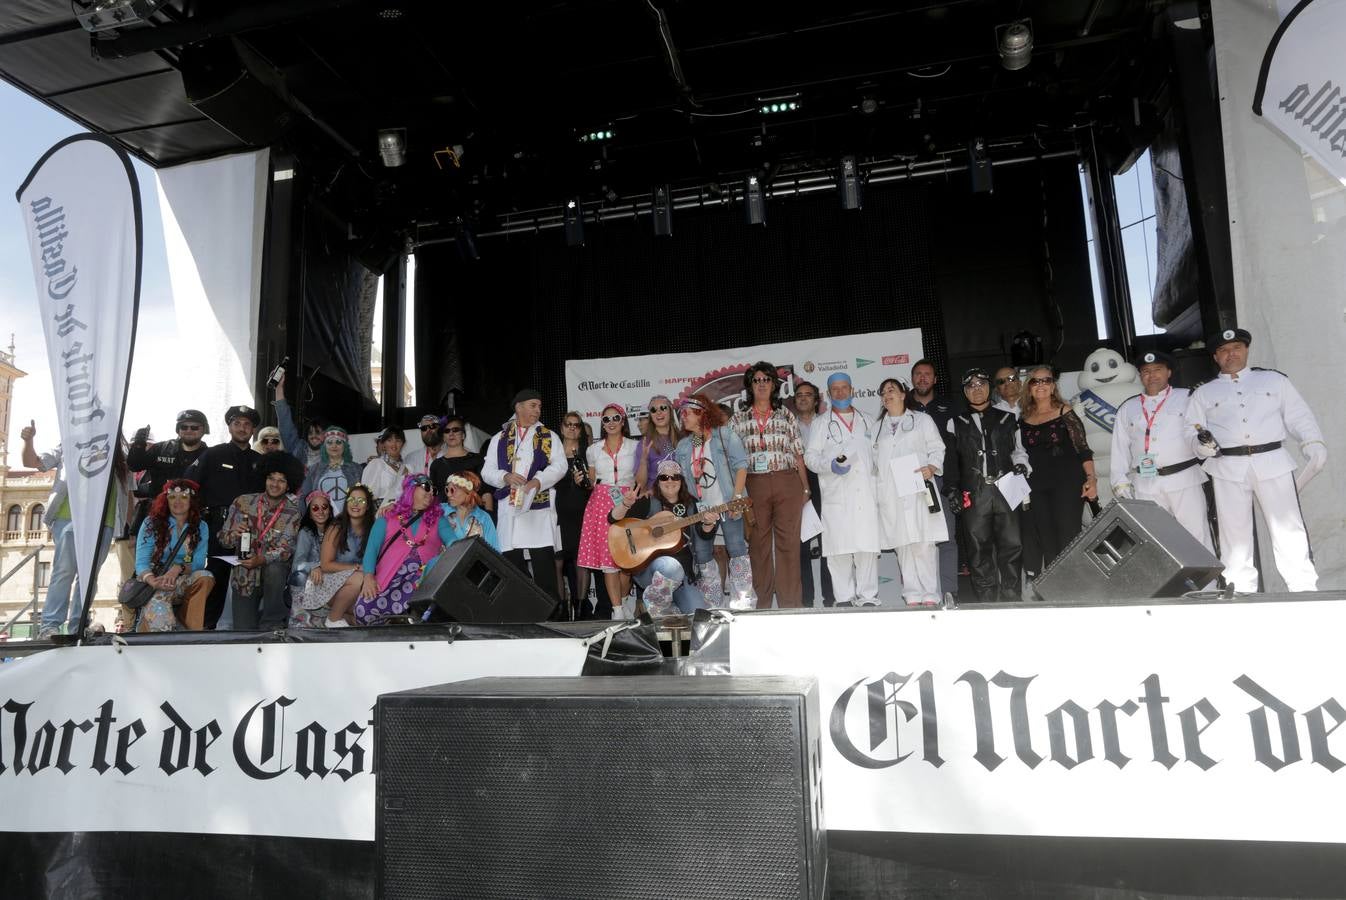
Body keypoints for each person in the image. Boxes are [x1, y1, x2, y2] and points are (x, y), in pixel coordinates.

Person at [1187, 327, 1327, 592]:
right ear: (1216, 357)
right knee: (1234, 534)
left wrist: (1312, 442)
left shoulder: (1274, 381)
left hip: (1272, 460)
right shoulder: (1204, 393)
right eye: (1224, 351)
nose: (1231, 354)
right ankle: (1239, 588)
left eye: (1237, 348)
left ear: (1246, 350)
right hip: (1227, 465)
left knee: (1288, 527)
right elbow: (1190, 430)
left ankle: (1303, 587)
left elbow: (1299, 416)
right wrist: (1200, 446)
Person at [21, 424, 133, 638]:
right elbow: (32, 462)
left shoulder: (121, 454)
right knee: (64, 571)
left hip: (104, 522)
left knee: (89, 577)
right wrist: (28, 440)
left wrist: (131, 530)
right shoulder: (69, 443)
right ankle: (50, 626)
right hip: (69, 517)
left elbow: (128, 494)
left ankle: (78, 625)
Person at [1109, 351, 1214, 552]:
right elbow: (1120, 447)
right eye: (1146, 371)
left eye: (1158, 370)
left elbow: (1197, 435)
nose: (1152, 375)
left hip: (1184, 479)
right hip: (1146, 484)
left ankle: (1206, 584)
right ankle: (1168, 584)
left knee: (1196, 534)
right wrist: (1119, 481)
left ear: (1169, 372)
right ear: (1140, 375)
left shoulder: (1188, 398)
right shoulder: (1128, 407)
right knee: (1155, 540)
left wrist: (1205, 447)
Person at [729, 361, 809, 608]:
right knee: (758, 546)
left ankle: (790, 605)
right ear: (750, 386)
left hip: (786, 481)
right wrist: (737, 492)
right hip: (754, 484)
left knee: (788, 545)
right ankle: (761, 606)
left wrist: (805, 488)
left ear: (774, 385)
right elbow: (733, 461)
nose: (762, 384)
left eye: (766, 380)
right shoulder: (738, 419)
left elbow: (797, 454)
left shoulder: (786, 414)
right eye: (757, 380)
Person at [945, 368, 1030, 602]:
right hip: (974, 492)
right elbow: (950, 461)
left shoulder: (1008, 418)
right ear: (964, 391)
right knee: (978, 548)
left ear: (990, 388)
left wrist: (1021, 465)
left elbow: (1019, 450)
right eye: (970, 386)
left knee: (1013, 544)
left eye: (981, 384)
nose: (976, 389)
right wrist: (951, 489)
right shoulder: (955, 423)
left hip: (1007, 488)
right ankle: (987, 602)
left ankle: (1012, 598)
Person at [481, 389, 568, 602]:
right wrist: (505, 476)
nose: (538, 410)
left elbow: (561, 465)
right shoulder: (499, 438)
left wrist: (539, 481)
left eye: (539, 406)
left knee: (543, 563)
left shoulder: (548, 435)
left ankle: (551, 615)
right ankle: (525, 607)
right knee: (512, 562)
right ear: (518, 407)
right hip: (509, 507)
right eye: (533, 405)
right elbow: (486, 471)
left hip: (537, 507)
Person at [804, 373, 882, 607]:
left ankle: (868, 598)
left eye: (844, 388)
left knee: (866, 549)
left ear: (852, 390)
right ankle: (844, 599)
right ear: (828, 394)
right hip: (836, 495)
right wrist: (830, 466)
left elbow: (878, 456)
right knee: (838, 552)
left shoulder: (869, 421)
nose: (840, 393)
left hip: (866, 495)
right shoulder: (820, 423)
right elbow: (810, 458)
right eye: (834, 389)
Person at [184, 404, 263, 628]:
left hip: (251, 530)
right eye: (237, 423)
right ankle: (205, 628)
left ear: (252, 430)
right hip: (218, 525)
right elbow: (189, 484)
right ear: (229, 426)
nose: (242, 428)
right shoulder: (213, 454)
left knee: (250, 577)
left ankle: (248, 629)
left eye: (247, 424)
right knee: (215, 577)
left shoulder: (260, 461)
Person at [609, 459, 721, 617]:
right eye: (664, 477)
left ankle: (667, 610)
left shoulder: (692, 504)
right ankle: (656, 606)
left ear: (681, 481)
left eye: (675, 477)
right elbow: (613, 520)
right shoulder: (648, 501)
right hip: (651, 571)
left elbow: (704, 535)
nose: (670, 481)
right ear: (658, 482)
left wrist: (708, 524)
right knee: (671, 566)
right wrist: (626, 504)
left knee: (699, 616)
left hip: (684, 577)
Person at [872, 378, 949, 606]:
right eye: (883, 391)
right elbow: (873, 464)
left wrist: (932, 467)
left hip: (918, 488)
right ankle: (912, 595)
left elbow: (937, 447)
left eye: (892, 389)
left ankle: (930, 594)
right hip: (891, 493)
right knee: (902, 544)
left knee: (923, 542)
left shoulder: (922, 420)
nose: (887, 394)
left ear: (904, 394)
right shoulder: (876, 429)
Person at [1019, 365, 1097, 579]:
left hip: (1068, 482)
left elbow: (1083, 449)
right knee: (1046, 538)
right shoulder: (1022, 418)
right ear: (1029, 387)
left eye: (1046, 380)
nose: (1041, 385)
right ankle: (1056, 588)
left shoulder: (1066, 412)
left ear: (1053, 386)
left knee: (1068, 535)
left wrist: (1091, 478)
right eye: (1036, 381)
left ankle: (1075, 585)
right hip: (1037, 485)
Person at [676, 393, 754, 607]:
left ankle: (743, 601)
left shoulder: (724, 436)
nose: (683, 417)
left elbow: (741, 466)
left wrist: (737, 497)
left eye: (688, 413)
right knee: (702, 553)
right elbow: (683, 480)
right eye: (682, 414)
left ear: (702, 414)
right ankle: (711, 604)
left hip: (729, 503)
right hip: (703, 509)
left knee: (736, 547)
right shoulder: (685, 446)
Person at [350, 473, 457, 625]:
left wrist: (455, 548)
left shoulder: (439, 520)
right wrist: (368, 577)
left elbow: (453, 541)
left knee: (421, 614)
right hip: (388, 580)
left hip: (421, 582)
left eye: (434, 490)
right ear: (411, 488)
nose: (431, 493)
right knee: (362, 609)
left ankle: (404, 620)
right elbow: (372, 549)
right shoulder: (388, 516)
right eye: (426, 487)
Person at [217, 453, 302, 631]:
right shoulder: (242, 502)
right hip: (244, 576)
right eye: (271, 478)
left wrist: (261, 559)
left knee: (275, 568)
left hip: (273, 577)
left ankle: (272, 624)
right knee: (243, 633)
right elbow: (223, 540)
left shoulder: (293, 512)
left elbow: (286, 550)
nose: (275, 484)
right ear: (264, 478)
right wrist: (233, 533)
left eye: (282, 480)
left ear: (289, 485)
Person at [577, 403, 638, 618]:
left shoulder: (634, 446)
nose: (611, 423)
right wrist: (582, 481)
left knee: (628, 560)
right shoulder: (592, 450)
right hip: (601, 502)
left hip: (628, 500)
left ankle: (623, 601)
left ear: (623, 421)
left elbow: (641, 477)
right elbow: (591, 482)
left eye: (615, 418)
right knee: (608, 561)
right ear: (602, 424)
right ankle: (617, 611)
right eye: (606, 419)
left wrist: (635, 495)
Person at [907, 358, 960, 602]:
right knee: (913, 541)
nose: (923, 378)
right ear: (912, 378)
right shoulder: (900, 405)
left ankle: (948, 591)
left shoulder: (950, 407)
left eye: (927, 374)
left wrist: (956, 481)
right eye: (918, 374)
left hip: (941, 482)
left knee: (946, 537)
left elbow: (960, 447)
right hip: (910, 485)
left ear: (935, 379)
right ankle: (917, 595)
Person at [129, 479, 213, 632]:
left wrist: (178, 568)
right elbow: (141, 563)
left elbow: (199, 563)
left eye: (184, 497)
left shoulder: (201, 527)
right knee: (164, 629)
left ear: (191, 500)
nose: (178, 501)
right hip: (155, 580)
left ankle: (192, 631)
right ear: (165, 500)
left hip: (181, 579)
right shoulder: (151, 523)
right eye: (173, 497)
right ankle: (147, 625)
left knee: (205, 577)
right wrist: (152, 580)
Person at [297, 483, 374, 628]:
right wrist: (357, 568)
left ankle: (344, 616)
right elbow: (326, 565)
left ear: (368, 506)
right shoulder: (336, 527)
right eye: (351, 500)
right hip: (329, 582)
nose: (356, 504)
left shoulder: (372, 529)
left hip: (355, 588)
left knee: (368, 614)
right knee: (359, 578)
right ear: (346, 503)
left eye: (361, 501)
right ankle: (333, 619)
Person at [126, 408, 210, 538]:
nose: (189, 430)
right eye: (184, 426)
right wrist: (138, 444)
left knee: (188, 557)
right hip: (159, 516)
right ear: (178, 429)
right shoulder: (161, 449)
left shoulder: (210, 456)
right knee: (149, 557)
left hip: (192, 520)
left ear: (204, 430)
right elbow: (134, 465)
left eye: (194, 427)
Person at [792, 381, 834, 607]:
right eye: (799, 395)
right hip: (799, 487)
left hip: (825, 486)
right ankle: (806, 601)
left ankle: (831, 599)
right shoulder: (789, 426)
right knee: (802, 548)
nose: (803, 398)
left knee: (828, 544)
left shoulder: (827, 424)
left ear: (816, 399)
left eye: (808, 395)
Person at [554, 410, 593, 618]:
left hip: (581, 513)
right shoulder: (553, 454)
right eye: (568, 424)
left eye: (576, 425)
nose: (571, 428)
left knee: (581, 561)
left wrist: (585, 483)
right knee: (557, 562)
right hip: (556, 514)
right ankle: (561, 607)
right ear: (561, 428)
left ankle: (581, 606)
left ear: (580, 430)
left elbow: (594, 486)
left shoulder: (588, 454)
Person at [428, 416, 490, 511]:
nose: (451, 434)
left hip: (474, 518)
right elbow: (433, 495)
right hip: (446, 518)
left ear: (463, 435)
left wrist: (488, 516)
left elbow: (486, 492)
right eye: (447, 431)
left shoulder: (477, 460)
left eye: (455, 430)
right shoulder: (436, 465)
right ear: (443, 437)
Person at [299, 427, 363, 515]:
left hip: (348, 520)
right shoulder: (314, 469)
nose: (334, 446)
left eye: (338, 442)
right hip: (321, 520)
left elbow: (362, 496)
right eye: (329, 442)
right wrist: (305, 519)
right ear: (324, 446)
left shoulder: (356, 468)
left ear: (345, 446)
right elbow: (304, 497)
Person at [288, 490, 334, 611]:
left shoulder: (336, 530)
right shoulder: (306, 532)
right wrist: (314, 566)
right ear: (309, 513)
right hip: (309, 580)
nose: (321, 512)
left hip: (330, 577)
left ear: (330, 511)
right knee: (300, 577)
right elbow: (297, 565)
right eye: (315, 508)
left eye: (324, 507)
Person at [272, 375, 326, 478]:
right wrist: (279, 388)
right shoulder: (299, 448)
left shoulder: (334, 454)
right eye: (310, 432)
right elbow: (285, 423)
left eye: (318, 432)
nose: (313, 436)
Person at [634, 395, 683, 494]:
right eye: (653, 410)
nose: (659, 412)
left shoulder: (684, 438)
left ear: (670, 412)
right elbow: (640, 484)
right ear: (651, 416)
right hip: (657, 499)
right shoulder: (645, 444)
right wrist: (643, 460)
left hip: (683, 496)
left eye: (663, 408)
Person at [442, 472, 499, 549]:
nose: (448, 494)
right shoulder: (440, 511)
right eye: (447, 490)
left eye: (452, 490)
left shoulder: (483, 518)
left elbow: (494, 552)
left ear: (468, 492)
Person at [363, 426, 410, 509]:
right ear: (383, 444)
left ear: (403, 443)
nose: (394, 444)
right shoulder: (376, 464)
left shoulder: (408, 468)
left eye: (398, 440)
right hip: (381, 514)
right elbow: (366, 494)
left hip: (402, 514)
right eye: (389, 440)